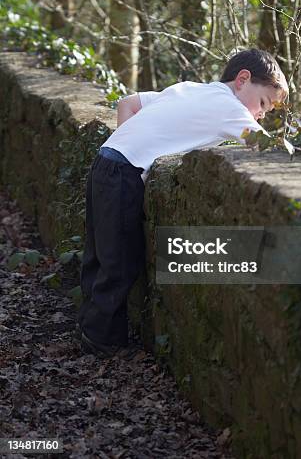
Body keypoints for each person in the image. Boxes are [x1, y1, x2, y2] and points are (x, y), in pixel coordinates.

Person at [78, 48, 288, 358]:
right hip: (122, 173)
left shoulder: (189, 89)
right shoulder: (230, 108)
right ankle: (103, 342)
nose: (260, 114)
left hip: (105, 160)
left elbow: (128, 103)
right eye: (263, 104)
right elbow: (266, 147)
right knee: (119, 263)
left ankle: (90, 328)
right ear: (243, 79)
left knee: (98, 254)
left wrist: (129, 144)